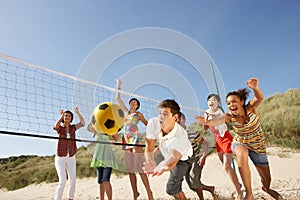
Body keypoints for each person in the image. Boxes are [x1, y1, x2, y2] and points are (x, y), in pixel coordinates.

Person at [196, 78, 282, 200]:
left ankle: (266, 188)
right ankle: (249, 193)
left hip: (258, 146)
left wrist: (255, 88)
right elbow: (217, 120)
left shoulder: (251, 109)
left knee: (266, 180)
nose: (231, 105)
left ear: (242, 102)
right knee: (241, 153)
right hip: (240, 142)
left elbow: (259, 98)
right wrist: (207, 121)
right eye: (229, 103)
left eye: (234, 101)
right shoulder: (229, 117)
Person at [144, 99, 193, 200]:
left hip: (183, 160)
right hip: (169, 156)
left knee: (171, 189)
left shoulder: (181, 135)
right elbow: (149, 146)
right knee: (175, 189)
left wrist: (164, 165)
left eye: (165, 114)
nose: (161, 117)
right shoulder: (153, 123)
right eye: (159, 113)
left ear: (175, 117)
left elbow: (173, 159)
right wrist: (149, 161)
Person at [116, 79, 153, 200]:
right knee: (130, 170)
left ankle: (149, 192)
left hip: (135, 140)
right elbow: (118, 98)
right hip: (126, 142)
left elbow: (148, 124)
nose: (133, 103)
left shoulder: (139, 114)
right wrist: (119, 85)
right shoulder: (126, 113)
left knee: (138, 168)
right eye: (131, 102)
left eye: (135, 103)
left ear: (137, 106)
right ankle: (135, 194)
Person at [204, 94, 243, 200]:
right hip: (218, 141)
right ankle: (238, 184)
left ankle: (239, 192)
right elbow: (206, 128)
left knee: (226, 166)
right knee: (226, 166)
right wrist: (205, 121)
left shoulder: (219, 112)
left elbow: (217, 120)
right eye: (209, 100)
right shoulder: (207, 112)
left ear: (218, 103)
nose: (211, 102)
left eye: (213, 100)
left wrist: (209, 119)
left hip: (225, 138)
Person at [177, 112, 216, 200]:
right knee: (192, 186)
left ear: (184, 120)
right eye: (175, 120)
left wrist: (204, 156)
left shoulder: (193, 133)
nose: (177, 121)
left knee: (194, 181)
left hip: (196, 158)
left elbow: (205, 143)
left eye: (179, 119)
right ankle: (210, 188)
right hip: (185, 161)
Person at [53, 107, 85, 200]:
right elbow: (55, 126)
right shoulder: (60, 128)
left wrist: (77, 112)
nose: (67, 117)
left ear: (71, 118)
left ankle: (70, 198)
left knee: (73, 180)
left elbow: (82, 123)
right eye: (65, 115)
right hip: (60, 157)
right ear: (63, 117)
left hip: (71, 156)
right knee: (62, 180)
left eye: (69, 116)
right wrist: (61, 116)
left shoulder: (73, 128)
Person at [87, 119, 119, 200]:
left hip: (107, 157)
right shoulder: (97, 130)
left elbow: (116, 138)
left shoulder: (109, 130)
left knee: (105, 180)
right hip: (98, 157)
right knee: (100, 182)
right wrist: (92, 119)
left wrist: (113, 126)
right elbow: (89, 128)